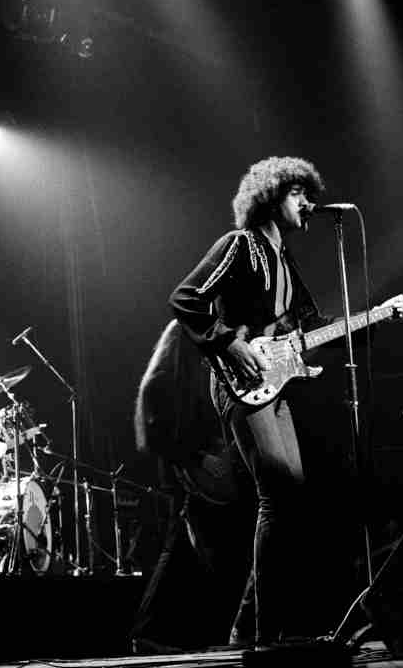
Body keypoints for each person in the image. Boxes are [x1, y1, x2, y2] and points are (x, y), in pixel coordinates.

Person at [169, 156, 330, 649]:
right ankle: (264, 631)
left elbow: (308, 332)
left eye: (309, 193)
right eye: (297, 194)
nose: (309, 203)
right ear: (270, 197)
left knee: (292, 499)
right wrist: (226, 342)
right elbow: (185, 297)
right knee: (277, 494)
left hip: (277, 383)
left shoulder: (286, 263)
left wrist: (381, 316)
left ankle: (248, 627)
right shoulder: (239, 245)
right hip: (241, 380)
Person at [130, 319, 253, 654]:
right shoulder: (165, 380)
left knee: (187, 550)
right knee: (183, 548)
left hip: (199, 471)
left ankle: (158, 634)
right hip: (188, 473)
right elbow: (160, 434)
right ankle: (150, 632)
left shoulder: (186, 371)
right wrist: (196, 460)